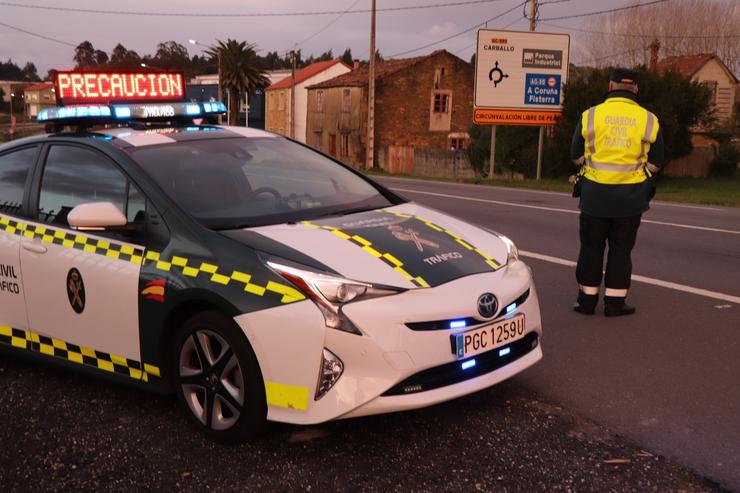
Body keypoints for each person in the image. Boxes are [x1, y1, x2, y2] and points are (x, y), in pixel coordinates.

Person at [570, 68, 664, 317]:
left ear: (610, 87)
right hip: (630, 199)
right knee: (621, 250)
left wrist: (590, 169)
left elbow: (576, 154)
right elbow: (656, 161)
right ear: (637, 90)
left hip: (594, 196)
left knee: (591, 248)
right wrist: (641, 179)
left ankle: (587, 302)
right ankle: (614, 304)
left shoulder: (591, 115)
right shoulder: (649, 119)